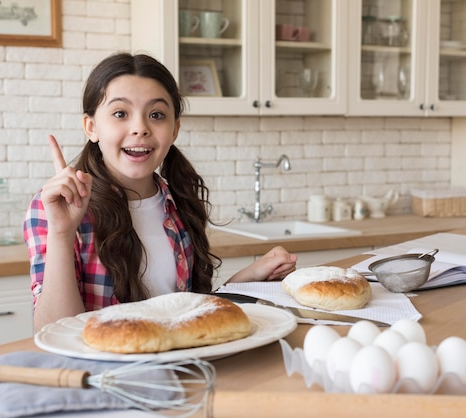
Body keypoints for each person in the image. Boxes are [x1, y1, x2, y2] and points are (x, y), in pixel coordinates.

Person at [24, 52, 297, 331]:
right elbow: (54, 331)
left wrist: (249, 278)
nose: (140, 128)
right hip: (106, 373)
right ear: (91, 127)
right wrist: (61, 232)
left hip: (181, 368)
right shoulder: (56, 206)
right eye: (120, 113)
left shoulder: (176, 199)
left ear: (175, 129)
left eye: (156, 115)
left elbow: (184, 313)